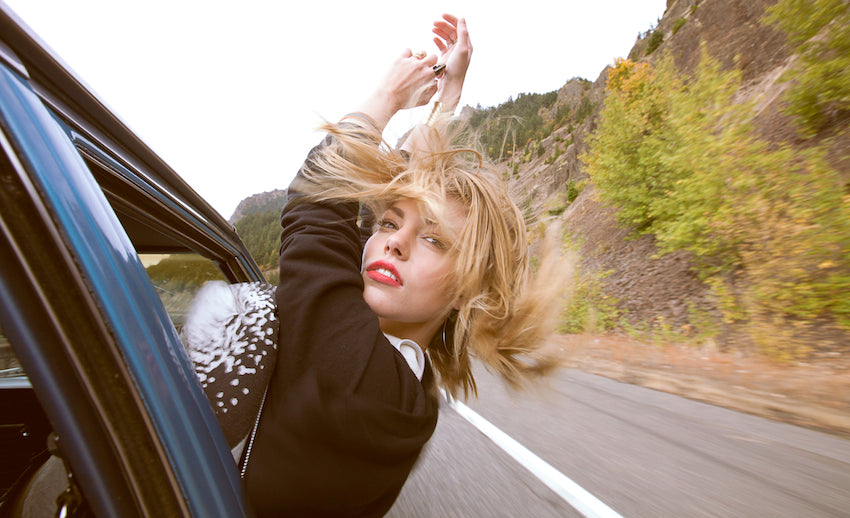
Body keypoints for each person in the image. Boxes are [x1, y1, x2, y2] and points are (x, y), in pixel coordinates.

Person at [242, 14, 564, 517]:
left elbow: (315, 211)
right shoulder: (396, 375)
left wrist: (387, 96)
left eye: (435, 241)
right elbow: (400, 195)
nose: (394, 244)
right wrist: (446, 98)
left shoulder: (371, 388)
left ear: (466, 289)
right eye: (387, 225)